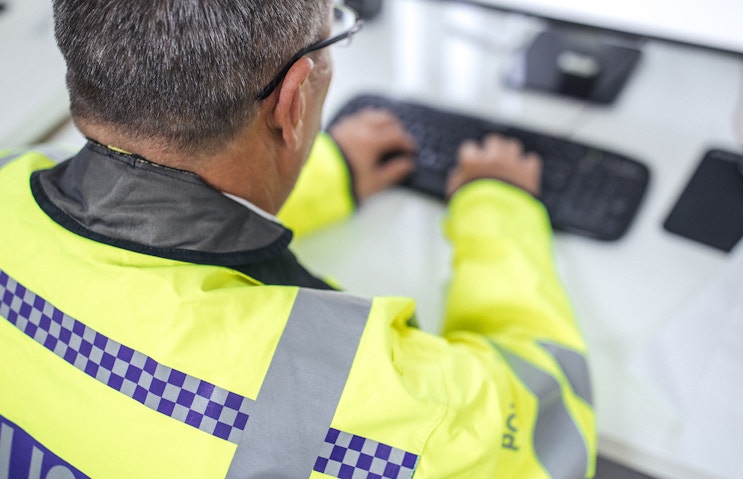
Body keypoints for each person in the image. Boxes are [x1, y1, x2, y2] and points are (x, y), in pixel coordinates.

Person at [0, 0, 596, 477]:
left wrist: (321, 175)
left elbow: (131, 202)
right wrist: (498, 206)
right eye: (335, 28)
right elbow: (552, 412)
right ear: (294, 101)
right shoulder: (369, 412)